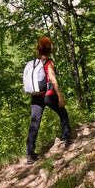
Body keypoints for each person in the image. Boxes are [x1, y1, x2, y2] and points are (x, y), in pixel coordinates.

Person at [25, 37, 72, 165]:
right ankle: (67, 138)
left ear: (38, 50)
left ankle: (30, 154)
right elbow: (52, 78)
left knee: (34, 123)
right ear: (49, 49)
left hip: (36, 96)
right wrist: (60, 95)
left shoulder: (35, 63)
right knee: (63, 113)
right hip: (49, 95)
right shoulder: (48, 62)